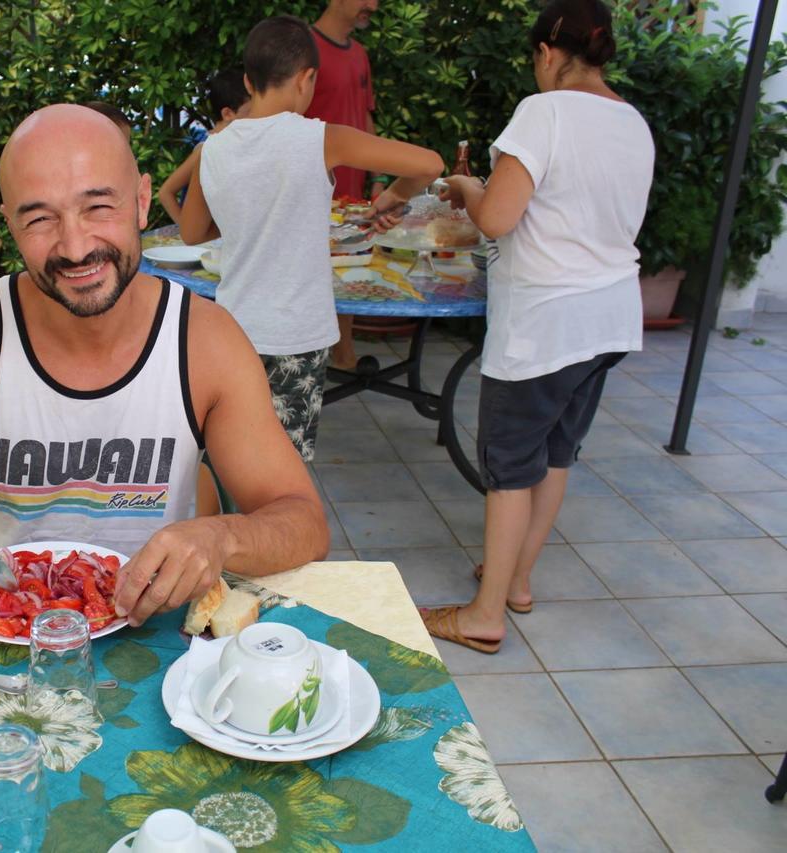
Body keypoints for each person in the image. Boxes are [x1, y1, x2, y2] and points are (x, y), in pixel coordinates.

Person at [0, 104, 330, 627]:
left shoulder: (205, 342)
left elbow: (304, 521)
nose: (76, 246)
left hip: (152, 638)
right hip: (5, 629)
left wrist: (222, 536)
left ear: (141, 200)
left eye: (98, 207)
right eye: (40, 218)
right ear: (10, 225)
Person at [420, 0, 654, 653]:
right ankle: (517, 579)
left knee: (510, 465)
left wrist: (466, 187)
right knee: (556, 452)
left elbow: (497, 217)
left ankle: (484, 613)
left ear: (548, 53)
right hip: (609, 318)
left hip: (543, 324)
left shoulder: (543, 111)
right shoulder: (633, 122)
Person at [179, 14, 442, 463]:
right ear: (308, 78)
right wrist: (394, 197)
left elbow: (192, 232)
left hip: (233, 329)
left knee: (222, 454)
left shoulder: (214, 147)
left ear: (248, 80)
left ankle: (216, 529)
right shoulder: (321, 139)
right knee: (283, 468)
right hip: (295, 336)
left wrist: (248, 214)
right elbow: (430, 164)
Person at [307, 0, 383, 371]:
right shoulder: (301, 45)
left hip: (352, 193)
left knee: (351, 266)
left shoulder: (360, 54)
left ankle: (344, 354)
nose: (373, 5)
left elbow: (365, 115)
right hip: (308, 186)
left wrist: (380, 176)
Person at [158, 69, 251, 226]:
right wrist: (186, 230)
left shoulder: (238, 145)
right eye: (251, 112)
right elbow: (166, 192)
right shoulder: (207, 148)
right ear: (228, 113)